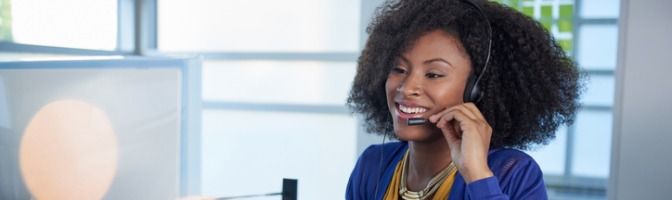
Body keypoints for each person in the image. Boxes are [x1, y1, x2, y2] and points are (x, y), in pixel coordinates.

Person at [345, 0, 582, 199]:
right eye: (398, 69)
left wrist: (477, 175)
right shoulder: (373, 165)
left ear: (476, 90)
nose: (407, 88)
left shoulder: (514, 173)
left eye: (434, 74)